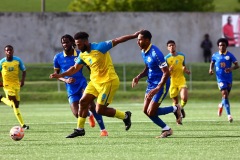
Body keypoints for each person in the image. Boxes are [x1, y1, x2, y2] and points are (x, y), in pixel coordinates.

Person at [50, 30, 141, 138]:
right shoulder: (83, 55)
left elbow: (117, 40)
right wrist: (61, 75)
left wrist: (134, 35)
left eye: (79, 44)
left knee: (99, 110)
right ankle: (80, 129)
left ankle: (125, 116)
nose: (77, 47)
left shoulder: (100, 47)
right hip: (94, 82)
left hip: (109, 82)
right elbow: (74, 68)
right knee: (83, 102)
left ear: (85, 42)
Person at [53, 34, 108, 136]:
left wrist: (96, 79)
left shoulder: (80, 54)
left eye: (67, 42)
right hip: (70, 88)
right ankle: (89, 115)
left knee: (91, 104)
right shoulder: (57, 57)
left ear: (72, 43)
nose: (65, 44)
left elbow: (90, 67)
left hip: (82, 84)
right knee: (76, 113)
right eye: (63, 42)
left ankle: (103, 130)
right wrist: (66, 80)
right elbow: (57, 75)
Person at [132, 30, 182, 138]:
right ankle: (167, 127)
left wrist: (158, 88)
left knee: (151, 111)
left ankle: (175, 110)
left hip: (161, 84)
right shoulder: (143, 51)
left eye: (139, 39)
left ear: (147, 40)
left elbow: (166, 72)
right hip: (151, 84)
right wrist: (138, 77)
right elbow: (148, 68)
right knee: (146, 111)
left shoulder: (156, 53)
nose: (137, 42)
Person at [209, 38, 239, 123]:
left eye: (223, 45)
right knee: (225, 94)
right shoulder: (215, 55)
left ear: (226, 46)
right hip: (220, 78)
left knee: (225, 96)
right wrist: (210, 69)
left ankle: (221, 104)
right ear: (218, 46)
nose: (221, 47)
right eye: (220, 45)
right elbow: (212, 62)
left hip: (228, 78)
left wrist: (231, 68)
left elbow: (237, 65)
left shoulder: (230, 55)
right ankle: (229, 115)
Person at [0, 45, 29, 129]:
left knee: (16, 105)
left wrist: (22, 81)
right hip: (7, 86)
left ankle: (22, 125)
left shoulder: (18, 60)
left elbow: (24, 70)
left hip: (16, 85)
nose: (9, 51)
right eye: (7, 50)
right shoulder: (2, 62)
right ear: (5, 52)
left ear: (13, 51)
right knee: (13, 103)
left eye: (10, 50)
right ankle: (1, 98)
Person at [165, 40, 190, 125]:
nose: (171, 47)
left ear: (175, 46)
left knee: (184, 98)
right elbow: (164, 72)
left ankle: (181, 107)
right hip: (172, 81)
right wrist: (169, 70)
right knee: (175, 102)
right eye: (169, 46)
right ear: (167, 48)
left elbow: (184, 66)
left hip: (181, 79)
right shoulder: (166, 58)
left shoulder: (182, 56)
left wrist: (186, 70)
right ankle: (178, 118)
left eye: (173, 45)